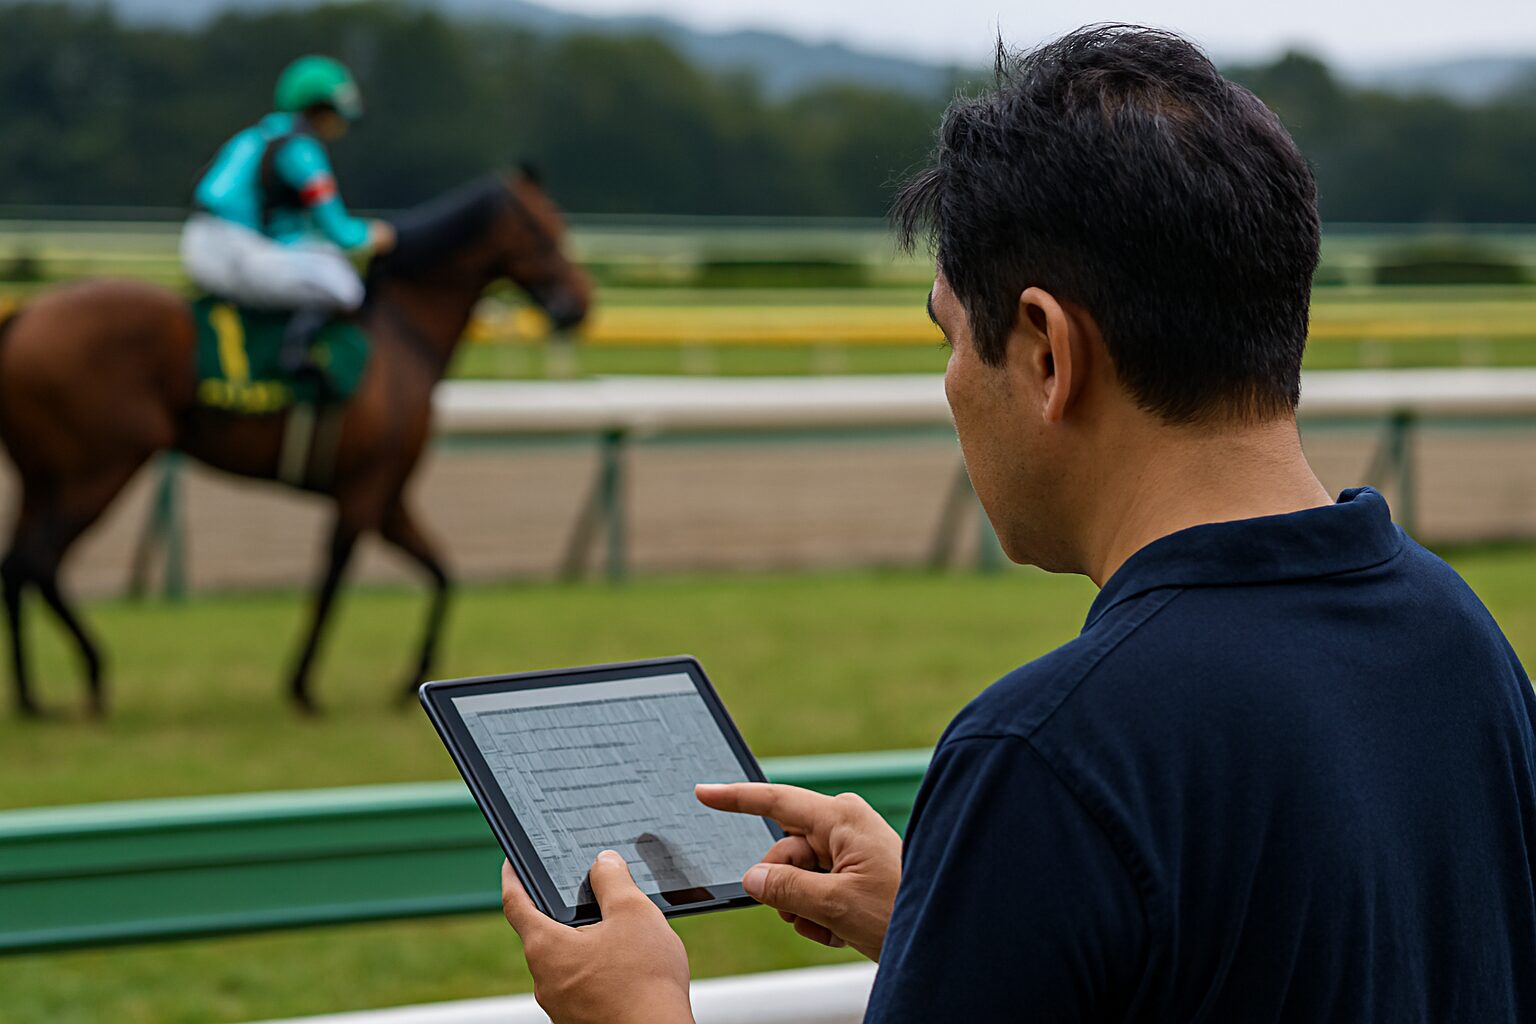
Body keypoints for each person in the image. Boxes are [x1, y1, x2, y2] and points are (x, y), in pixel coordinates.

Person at [498, 25, 1536, 1023]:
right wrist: (955, 920)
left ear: (1045, 349)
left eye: (949, 337)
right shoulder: (1461, 638)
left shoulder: (1046, 755)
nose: (950, 383)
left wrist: (636, 1010)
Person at [181, 55, 396, 375]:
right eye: (336, 114)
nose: (341, 124)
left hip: (203, 241)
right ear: (319, 109)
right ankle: (294, 352)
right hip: (233, 249)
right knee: (345, 285)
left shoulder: (258, 134)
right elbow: (340, 232)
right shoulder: (302, 150)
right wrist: (375, 236)